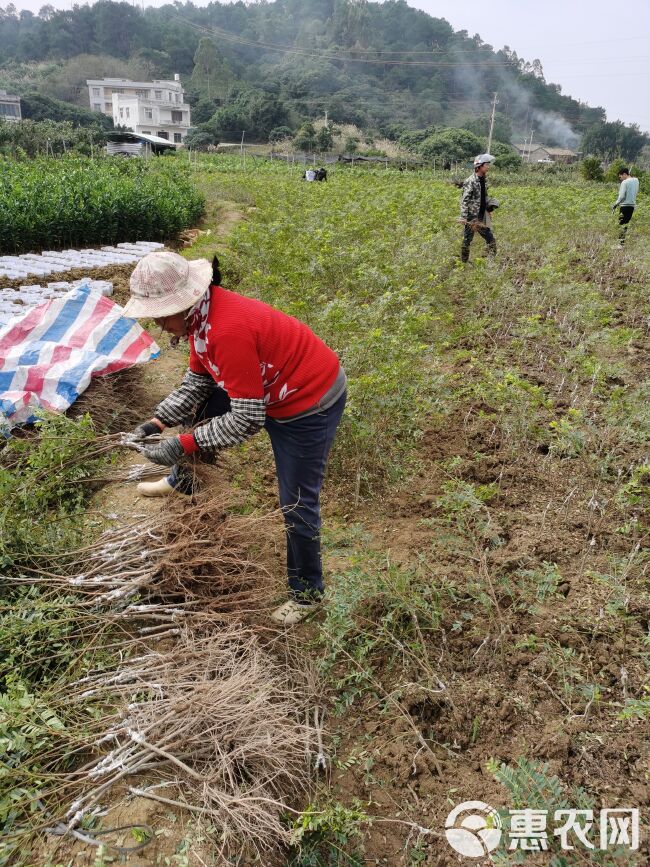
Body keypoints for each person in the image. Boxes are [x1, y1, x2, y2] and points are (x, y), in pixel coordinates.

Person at [123, 252, 347, 626]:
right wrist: (157, 422)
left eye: (163, 314)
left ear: (187, 300)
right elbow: (197, 382)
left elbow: (246, 419)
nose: (160, 324)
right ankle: (184, 480)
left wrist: (183, 444)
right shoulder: (200, 322)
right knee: (206, 402)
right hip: (267, 388)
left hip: (308, 402)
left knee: (296, 502)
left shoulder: (226, 330)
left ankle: (307, 593)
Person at [459, 153, 497, 263]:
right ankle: (463, 263)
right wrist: (463, 217)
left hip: (481, 216)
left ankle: (491, 261)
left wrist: (488, 211)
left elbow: (484, 197)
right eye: (486, 165)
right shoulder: (470, 181)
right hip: (472, 218)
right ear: (479, 166)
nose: (488, 167)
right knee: (467, 240)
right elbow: (464, 200)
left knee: (490, 239)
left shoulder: (483, 180)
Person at [612, 167, 639, 246]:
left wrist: (615, 204)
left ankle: (620, 245)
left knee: (622, 224)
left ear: (624, 174)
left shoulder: (624, 183)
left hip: (624, 206)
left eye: (620, 177)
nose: (620, 179)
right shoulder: (636, 180)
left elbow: (622, 196)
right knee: (625, 224)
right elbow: (636, 192)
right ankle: (621, 244)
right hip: (632, 206)